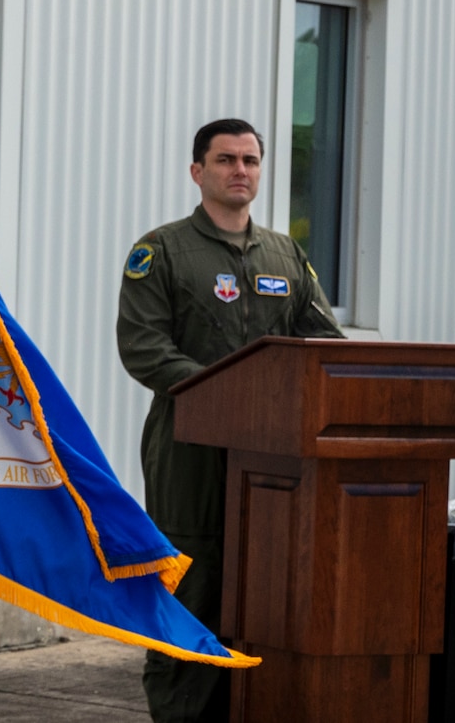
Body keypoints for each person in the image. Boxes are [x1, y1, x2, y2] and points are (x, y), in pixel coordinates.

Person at [117, 118, 342, 723]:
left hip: (276, 457)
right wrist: (232, 396)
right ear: (198, 172)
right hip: (190, 451)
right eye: (225, 160)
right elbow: (144, 348)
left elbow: (324, 342)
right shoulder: (160, 251)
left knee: (269, 591)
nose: (240, 171)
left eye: (250, 160)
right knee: (192, 590)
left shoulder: (285, 254)